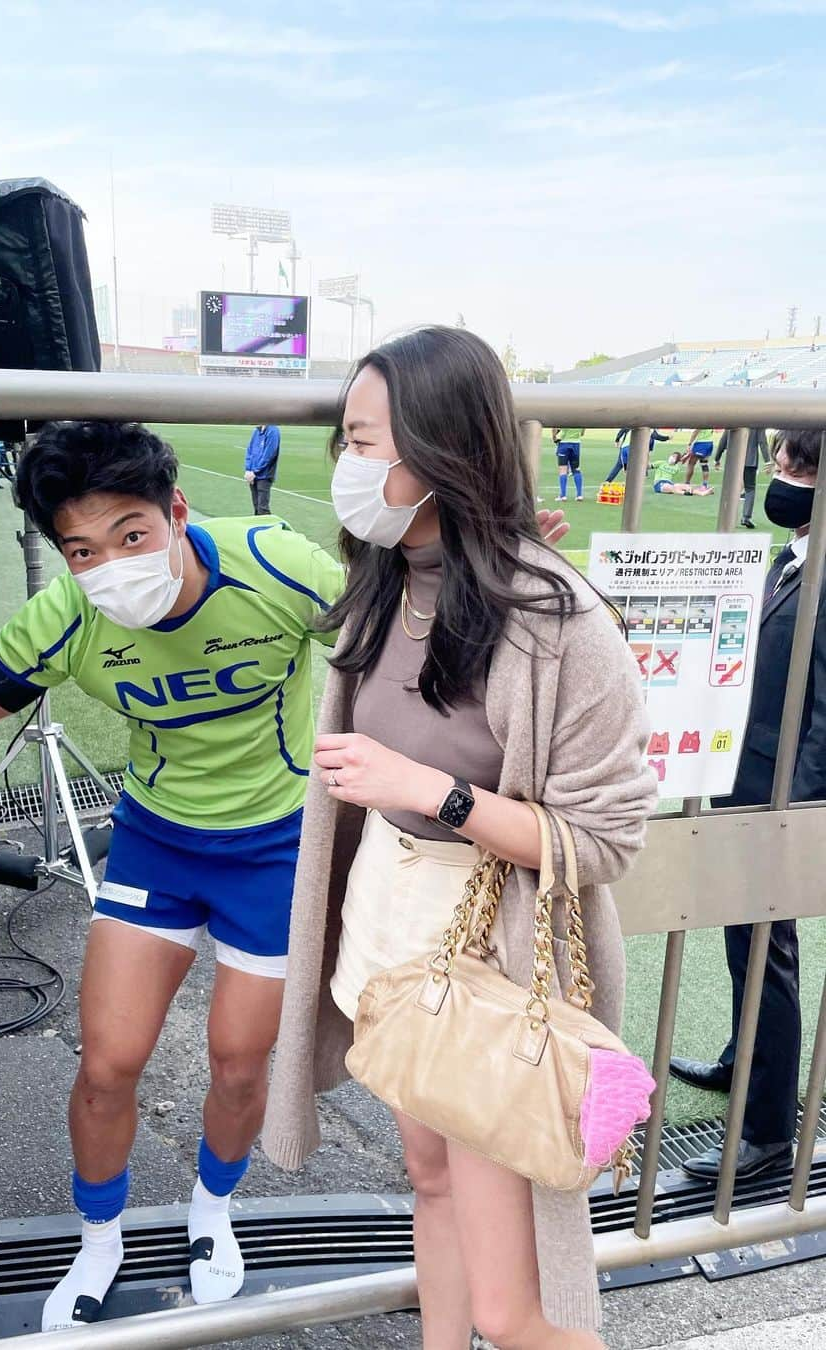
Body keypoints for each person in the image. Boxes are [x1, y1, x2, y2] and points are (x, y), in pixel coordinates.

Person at [0, 420, 345, 1329]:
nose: (112, 565)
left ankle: (212, 1213)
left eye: (130, 535)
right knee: (108, 1064)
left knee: (241, 1064)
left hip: (276, 846)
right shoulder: (72, 615)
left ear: (176, 513)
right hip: (157, 843)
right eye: (81, 550)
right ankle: (100, 1239)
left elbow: (393, 631)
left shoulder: (277, 566)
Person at [263, 327, 656, 1350]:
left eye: (362, 441)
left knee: (512, 1312)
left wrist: (429, 791)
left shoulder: (560, 621)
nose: (347, 468)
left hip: (487, 954)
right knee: (429, 1180)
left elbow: (607, 839)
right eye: (342, 442)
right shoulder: (387, 582)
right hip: (387, 926)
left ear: (439, 449)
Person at [671, 428, 826, 1181]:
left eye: (797, 465)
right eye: (782, 459)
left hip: (778, 795)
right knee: (746, 945)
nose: (781, 475)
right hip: (747, 774)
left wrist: (793, 811)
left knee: (768, 953)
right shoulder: (795, 552)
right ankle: (746, 1061)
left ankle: (767, 1131)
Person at [714, 427, 770, 527]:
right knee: (750, 489)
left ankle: (728, 517)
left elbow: (724, 440)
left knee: (731, 489)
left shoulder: (735, 418)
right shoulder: (757, 422)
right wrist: (767, 461)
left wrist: (717, 458)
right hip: (750, 461)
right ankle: (746, 517)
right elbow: (762, 442)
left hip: (734, 459)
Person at [243, 423, 281, 514]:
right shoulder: (257, 431)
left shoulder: (273, 431)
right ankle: (258, 527)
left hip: (264, 475)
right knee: (256, 507)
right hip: (252, 475)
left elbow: (269, 455)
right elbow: (250, 450)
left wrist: (255, 471)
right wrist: (248, 470)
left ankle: (270, 527)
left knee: (262, 508)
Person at [552, 425, 585, 501]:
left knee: (563, 470)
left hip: (564, 443)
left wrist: (555, 437)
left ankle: (563, 495)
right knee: (576, 469)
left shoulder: (565, 416)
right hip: (576, 443)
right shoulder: (581, 418)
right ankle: (579, 495)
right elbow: (582, 433)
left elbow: (558, 431)